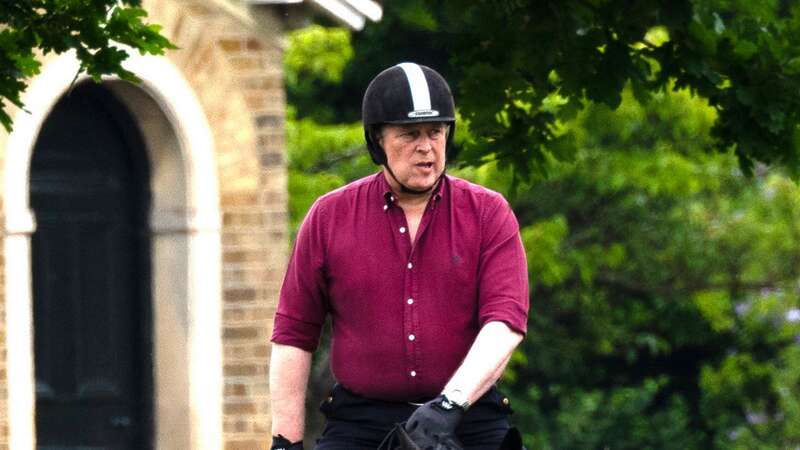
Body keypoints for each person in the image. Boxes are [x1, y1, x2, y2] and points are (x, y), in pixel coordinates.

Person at [269, 62, 529, 450]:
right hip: (360, 421)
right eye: (410, 134)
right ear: (377, 140)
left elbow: (505, 323)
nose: (426, 147)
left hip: (467, 413)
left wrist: (450, 403)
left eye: (436, 132)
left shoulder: (489, 213)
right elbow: (294, 335)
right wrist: (284, 442)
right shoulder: (327, 217)